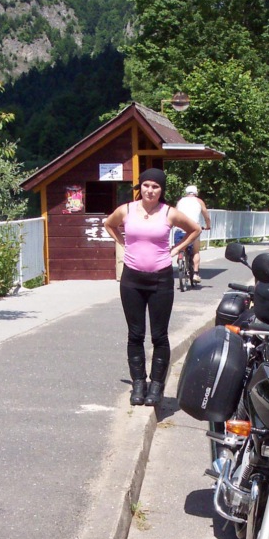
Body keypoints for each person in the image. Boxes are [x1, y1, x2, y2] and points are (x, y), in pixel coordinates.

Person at [104, 169, 200, 407]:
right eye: (146, 185)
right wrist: (123, 243)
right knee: (135, 334)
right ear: (140, 187)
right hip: (132, 280)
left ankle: (156, 386)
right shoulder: (126, 210)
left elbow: (195, 230)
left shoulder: (169, 212)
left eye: (155, 186)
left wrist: (176, 250)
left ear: (161, 190)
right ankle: (139, 384)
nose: (150, 190)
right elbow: (109, 224)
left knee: (159, 335)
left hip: (161, 280)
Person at [174, 185, 211, 283]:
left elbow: (175, 213)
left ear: (186, 193)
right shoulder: (199, 201)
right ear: (196, 193)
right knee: (196, 252)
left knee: (180, 247)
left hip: (179, 229)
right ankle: (195, 274)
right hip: (193, 230)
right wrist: (208, 225)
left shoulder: (180, 201)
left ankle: (180, 258)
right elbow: (206, 216)